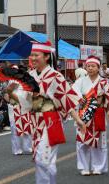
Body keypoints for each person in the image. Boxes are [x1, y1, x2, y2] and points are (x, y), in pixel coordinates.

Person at [29, 41, 86, 184]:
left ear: (47, 57)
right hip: (35, 120)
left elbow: (66, 98)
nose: (33, 58)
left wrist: (77, 119)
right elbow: (24, 101)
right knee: (39, 158)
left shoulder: (55, 76)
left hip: (50, 119)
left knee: (44, 158)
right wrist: (12, 92)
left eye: (36, 55)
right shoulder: (30, 76)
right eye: (32, 55)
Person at [73, 55, 109, 176]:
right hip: (84, 113)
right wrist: (81, 99)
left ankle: (98, 167)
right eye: (88, 66)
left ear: (98, 67)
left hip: (99, 113)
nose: (90, 68)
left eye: (93, 66)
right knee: (82, 141)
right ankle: (84, 167)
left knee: (99, 142)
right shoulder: (80, 81)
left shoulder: (104, 82)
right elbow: (73, 94)